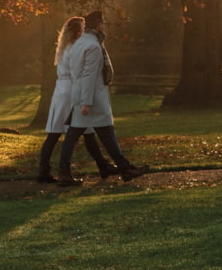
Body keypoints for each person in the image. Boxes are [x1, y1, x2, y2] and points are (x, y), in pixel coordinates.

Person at [56, 10, 149, 186]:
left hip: (82, 95)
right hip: (92, 97)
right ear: (98, 25)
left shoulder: (80, 43)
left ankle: (66, 172)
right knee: (102, 133)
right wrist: (87, 102)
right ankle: (124, 168)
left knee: (77, 134)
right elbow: (89, 75)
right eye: (102, 24)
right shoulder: (93, 46)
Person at [37, 16, 114, 184]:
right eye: (82, 29)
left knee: (59, 132)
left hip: (61, 90)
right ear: (76, 32)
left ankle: (44, 169)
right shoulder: (75, 48)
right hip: (71, 90)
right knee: (83, 131)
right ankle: (70, 170)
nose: (84, 32)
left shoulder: (63, 48)